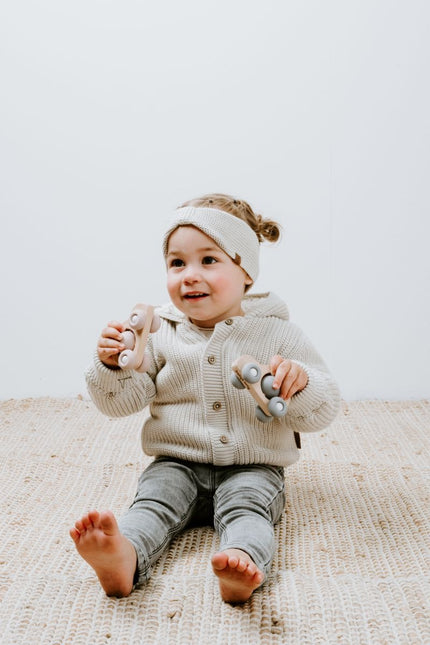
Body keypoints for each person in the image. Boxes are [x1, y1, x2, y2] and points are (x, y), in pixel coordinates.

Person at [70, 193, 340, 604]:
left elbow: (324, 409)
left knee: (249, 513)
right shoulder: (159, 334)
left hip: (253, 465)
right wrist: (113, 366)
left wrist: (300, 384)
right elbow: (118, 404)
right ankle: (125, 557)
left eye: (208, 260)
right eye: (177, 263)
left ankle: (240, 561)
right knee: (151, 504)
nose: (189, 275)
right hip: (175, 461)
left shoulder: (279, 334)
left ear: (245, 271)